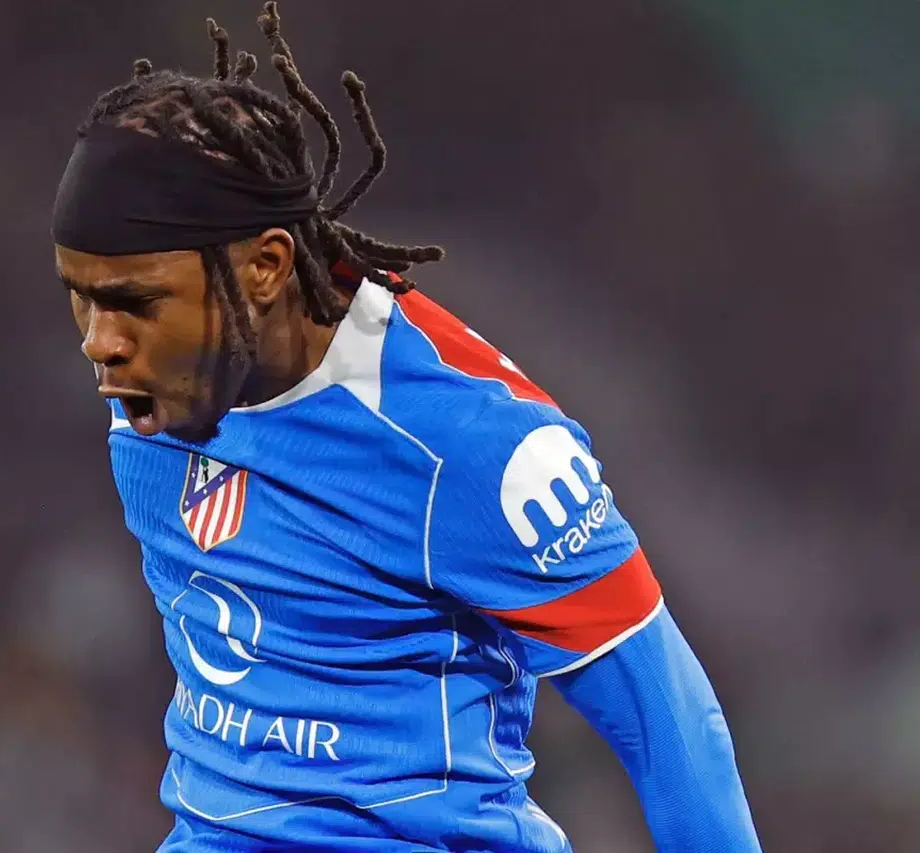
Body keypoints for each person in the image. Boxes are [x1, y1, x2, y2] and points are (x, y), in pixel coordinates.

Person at [49, 4, 763, 850]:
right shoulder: (157, 392)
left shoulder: (467, 442)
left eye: (134, 302)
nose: (99, 341)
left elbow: (670, 722)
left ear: (266, 267)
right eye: (81, 299)